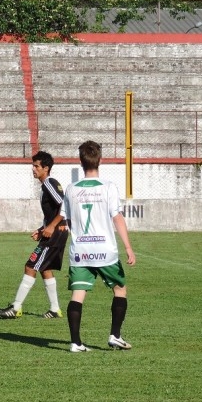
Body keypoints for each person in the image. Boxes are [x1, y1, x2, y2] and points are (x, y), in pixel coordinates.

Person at [59, 140, 136, 353]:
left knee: (78, 294)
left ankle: (75, 342)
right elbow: (117, 217)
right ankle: (115, 335)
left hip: (81, 251)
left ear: (81, 162)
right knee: (119, 290)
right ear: (99, 160)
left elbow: (67, 221)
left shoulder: (71, 189)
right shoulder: (108, 187)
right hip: (105, 251)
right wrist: (128, 247)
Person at [0, 151, 69, 319]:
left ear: (46, 168)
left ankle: (16, 307)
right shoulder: (46, 185)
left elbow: (64, 205)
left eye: (36, 166)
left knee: (30, 266)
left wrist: (50, 227)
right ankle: (55, 309)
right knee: (45, 269)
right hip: (57, 231)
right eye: (33, 166)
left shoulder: (49, 183)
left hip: (56, 232)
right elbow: (55, 211)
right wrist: (42, 228)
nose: (33, 169)